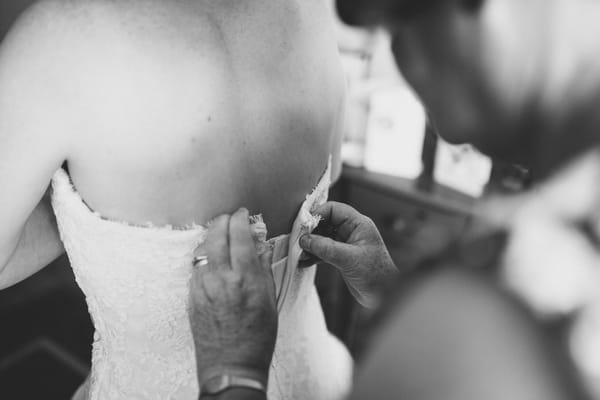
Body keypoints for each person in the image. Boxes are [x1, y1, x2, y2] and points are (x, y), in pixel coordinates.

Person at [188, 0, 600, 398]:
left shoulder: (503, 309)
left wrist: (234, 379)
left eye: (397, 23)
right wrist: (388, 285)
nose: (405, 61)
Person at [0, 0, 352, 399]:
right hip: (319, 382)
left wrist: (85, 205)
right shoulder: (311, 7)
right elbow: (332, 171)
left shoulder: (59, 39)